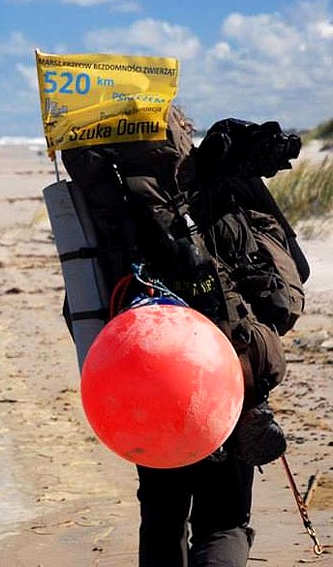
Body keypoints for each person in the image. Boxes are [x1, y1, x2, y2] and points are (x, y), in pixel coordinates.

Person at [59, 107, 309, 566]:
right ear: (179, 131)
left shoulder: (108, 206)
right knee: (223, 521)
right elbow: (279, 297)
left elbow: (81, 303)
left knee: (161, 514)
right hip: (217, 375)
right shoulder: (209, 191)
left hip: (142, 381)